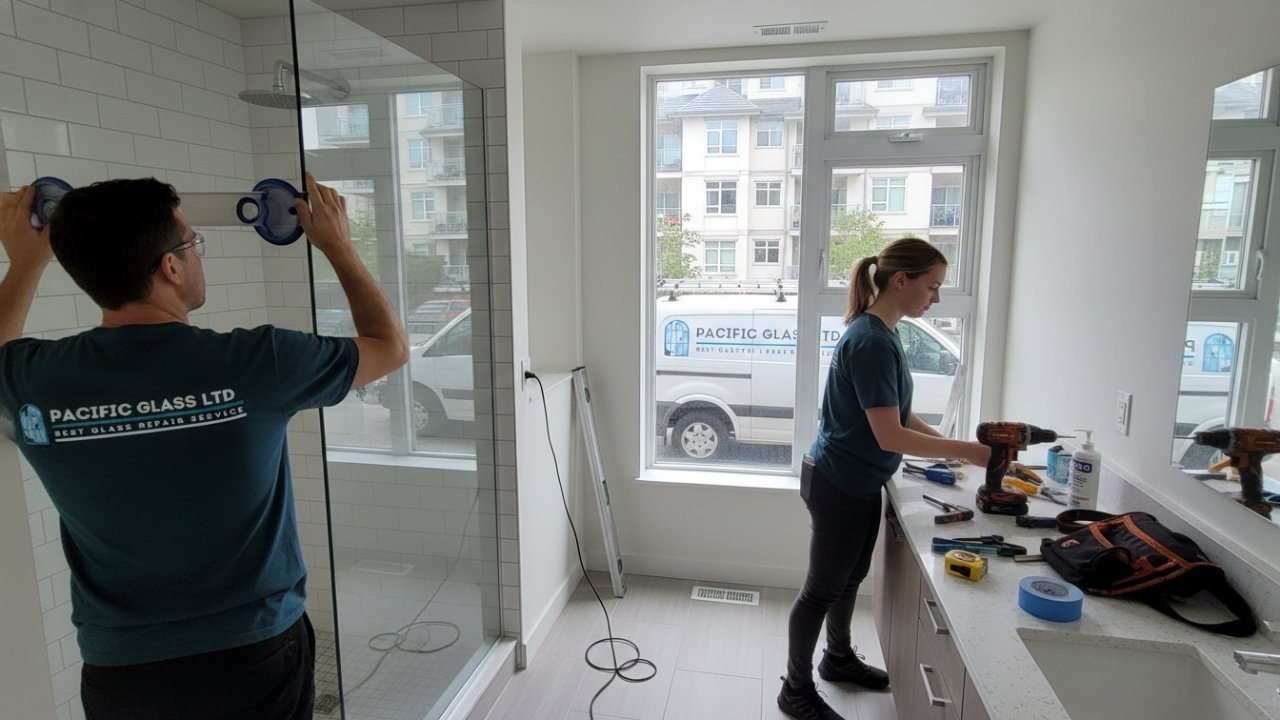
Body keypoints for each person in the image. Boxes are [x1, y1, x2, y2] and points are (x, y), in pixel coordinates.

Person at [0, 174, 408, 720]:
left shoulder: (34, 381)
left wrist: (25, 263)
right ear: (170, 267)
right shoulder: (259, 362)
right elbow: (389, 346)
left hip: (123, 668)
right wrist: (337, 246)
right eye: (194, 243)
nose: (197, 254)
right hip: (254, 650)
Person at [777, 237, 990, 720]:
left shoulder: (883, 332)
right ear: (901, 280)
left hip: (855, 481)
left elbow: (898, 414)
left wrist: (951, 448)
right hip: (839, 484)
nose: (936, 297)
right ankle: (795, 689)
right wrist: (967, 451)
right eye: (932, 286)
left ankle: (837, 658)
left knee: (850, 578)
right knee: (820, 591)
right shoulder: (872, 341)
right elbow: (889, 434)